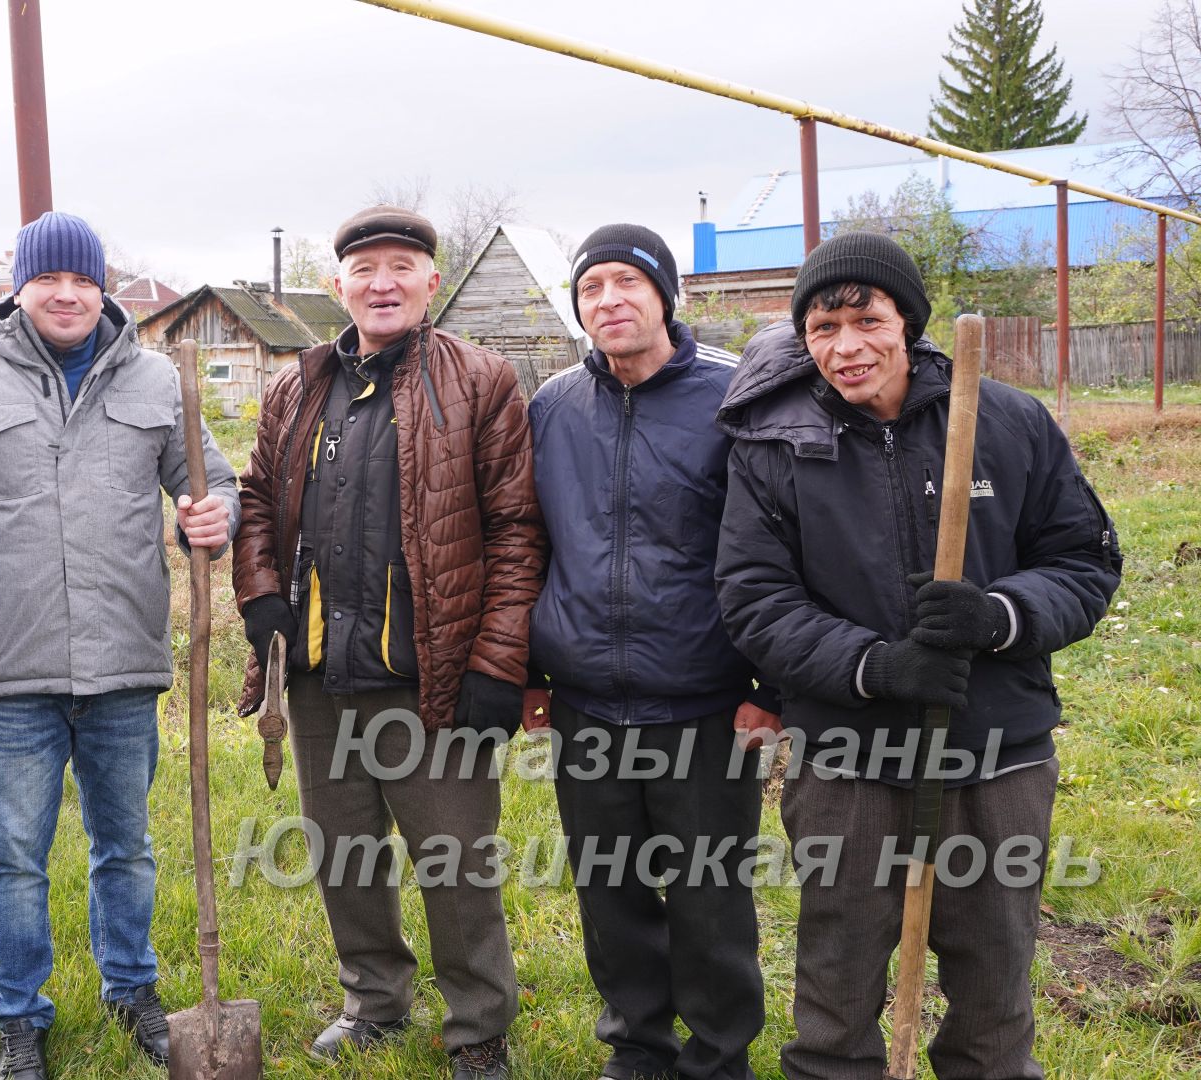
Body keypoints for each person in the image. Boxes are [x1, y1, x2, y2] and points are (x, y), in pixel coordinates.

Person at [714, 231, 1122, 1080]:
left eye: (868, 318)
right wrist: (875, 667)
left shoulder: (1007, 422)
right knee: (836, 980)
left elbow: (1085, 562)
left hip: (996, 752)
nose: (847, 345)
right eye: (823, 327)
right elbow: (754, 598)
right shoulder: (774, 446)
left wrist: (1000, 615)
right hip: (849, 761)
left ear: (909, 322)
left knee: (993, 981)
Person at [0, 210, 238, 1080]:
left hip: (125, 661)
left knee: (127, 844)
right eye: (50, 279)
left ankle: (133, 989)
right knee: (14, 856)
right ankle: (21, 1018)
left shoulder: (158, 380)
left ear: (103, 290)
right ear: (18, 287)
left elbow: (214, 482)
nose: (68, 294)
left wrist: (213, 516)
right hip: (12, 668)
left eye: (84, 280)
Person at [230, 205, 544, 1080]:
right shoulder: (298, 386)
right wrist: (259, 596)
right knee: (345, 856)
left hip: (431, 678)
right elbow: (256, 500)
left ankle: (478, 1026)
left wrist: (496, 664)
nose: (382, 282)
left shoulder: (481, 382)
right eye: (364, 269)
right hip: (324, 674)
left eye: (401, 266)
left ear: (432, 282)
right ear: (339, 287)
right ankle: (373, 1000)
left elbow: (518, 531)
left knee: (455, 865)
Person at [522, 223, 774, 1080]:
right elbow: (528, 543)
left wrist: (768, 682)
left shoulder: (734, 396)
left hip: (705, 702)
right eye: (593, 288)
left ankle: (719, 1055)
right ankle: (637, 1047)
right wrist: (529, 668)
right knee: (612, 896)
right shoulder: (554, 406)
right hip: (587, 701)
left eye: (629, 282)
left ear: (667, 296)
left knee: (709, 897)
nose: (610, 301)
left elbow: (780, 543)